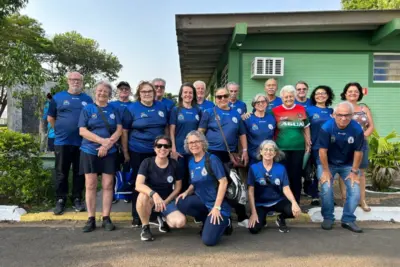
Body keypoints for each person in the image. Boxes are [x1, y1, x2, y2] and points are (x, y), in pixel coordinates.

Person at [198, 87, 249, 228]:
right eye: (219, 97)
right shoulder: (208, 112)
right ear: (215, 98)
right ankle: (214, 215)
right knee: (213, 185)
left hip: (230, 154)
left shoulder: (236, 114)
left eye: (224, 96)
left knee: (234, 184)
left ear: (229, 96)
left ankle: (241, 215)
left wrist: (244, 150)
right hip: (212, 154)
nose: (222, 99)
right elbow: (200, 132)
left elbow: (242, 134)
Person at [122, 81, 169, 228]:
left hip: (158, 151)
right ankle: (137, 216)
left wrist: (167, 146)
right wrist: (125, 152)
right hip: (138, 151)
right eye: (144, 92)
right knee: (139, 183)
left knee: (157, 182)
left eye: (150, 91)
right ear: (139, 94)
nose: (147, 94)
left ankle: (156, 214)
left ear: (154, 93)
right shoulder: (131, 108)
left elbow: (166, 128)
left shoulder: (161, 107)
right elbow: (124, 131)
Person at [78, 81, 122, 232]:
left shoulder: (114, 109)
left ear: (109, 94)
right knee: (90, 184)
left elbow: (119, 130)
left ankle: (106, 217)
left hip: (109, 152)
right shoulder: (87, 109)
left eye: (105, 91)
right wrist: (101, 141)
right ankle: (91, 219)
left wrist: (107, 145)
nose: (102, 93)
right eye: (99, 90)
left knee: (108, 184)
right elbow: (82, 131)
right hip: (89, 150)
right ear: (95, 92)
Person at [47, 72, 93, 215]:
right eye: (73, 79)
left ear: (82, 82)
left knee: (79, 172)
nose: (75, 82)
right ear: (68, 81)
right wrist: (60, 131)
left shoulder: (88, 99)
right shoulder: (58, 97)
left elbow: (92, 119)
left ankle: (77, 198)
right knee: (61, 172)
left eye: (78, 80)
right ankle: (60, 199)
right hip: (62, 142)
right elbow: (50, 118)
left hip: (82, 143)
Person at [176, 131, 231, 246]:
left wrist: (216, 207)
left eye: (196, 141)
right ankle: (206, 220)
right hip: (203, 201)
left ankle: (226, 221)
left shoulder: (212, 159)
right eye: (190, 142)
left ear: (203, 143)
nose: (193, 145)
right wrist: (186, 192)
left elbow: (223, 182)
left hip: (218, 205)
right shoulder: (191, 162)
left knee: (208, 241)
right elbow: (194, 183)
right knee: (181, 202)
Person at [317, 101, 364, 233]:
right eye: (340, 115)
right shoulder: (326, 127)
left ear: (352, 115)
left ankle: (348, 219)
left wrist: (354, 171)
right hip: (328, 163)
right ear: (334, 115)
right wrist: (325, 171)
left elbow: (359, 151)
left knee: (355, 190)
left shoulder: (357, 129)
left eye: (347, 115)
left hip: (348, 164)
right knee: (326, 188)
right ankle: (328, 218)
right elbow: (322, 151)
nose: (343, 118)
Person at [136, 136, 186, 241]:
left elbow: (178, 187)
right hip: (150, 198)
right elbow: (138, 185)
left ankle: (162, 217)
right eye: (159, 146)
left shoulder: (174, 164)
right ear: (155, 148)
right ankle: (145, 228)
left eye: (166, 146)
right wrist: (154, 194)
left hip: (167, 199)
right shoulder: (147, 162)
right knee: (142, 196)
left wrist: (165, 202)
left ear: (169, 149)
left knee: (179, 222)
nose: (162, 148)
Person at [248, 140, 301, 234]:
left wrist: (294, 202)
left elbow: (286, 188)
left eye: (271, 150)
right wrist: (253, 212)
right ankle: (262, 220)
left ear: (275, 153)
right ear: (261, 151)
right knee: (254, 229)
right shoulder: (253, 168)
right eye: (266, 149)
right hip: (261, 203)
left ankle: (280, 218)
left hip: (277, 201)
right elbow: (250, 191)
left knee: (294, 211)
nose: (268, 152)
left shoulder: (281, 168)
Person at [271, 85, 311, 203]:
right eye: (286, 96)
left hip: (298, 148)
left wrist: (308, 142)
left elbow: (306, 127)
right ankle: (282, 202)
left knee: (296, 176)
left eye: (291, 96)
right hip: (281, 148)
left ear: (295, 96)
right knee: (282, 175)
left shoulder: (301, 109)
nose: (288, 98)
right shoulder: (275, 110)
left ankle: (295, 203)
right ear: (282, 97)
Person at [340, 82, 375, 212]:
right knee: (344, 171)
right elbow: (335, 124)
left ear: (359, 94)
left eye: (356, 91)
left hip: (361, 144)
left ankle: (362, 200)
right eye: (350, 91)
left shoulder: (364, 109)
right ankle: (344, 199)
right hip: (343, 144)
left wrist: (363, 136)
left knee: (360, 173)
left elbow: (371, 126)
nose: (353, 93)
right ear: (345, 93)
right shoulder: (340, 108)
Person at [306, 86, 335, 206]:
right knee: (318, 171)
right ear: (314, 96)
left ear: (328, 96)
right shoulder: (309, 110)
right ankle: (316, 195)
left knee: (329, 171)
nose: (320, 95)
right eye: (317, 93)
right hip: (315, 145)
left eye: (323, 93)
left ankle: (327, 195)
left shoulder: (332, 111)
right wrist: (307, 141)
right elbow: (304, 127)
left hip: (331, 146)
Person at [169, 82, 201, 192]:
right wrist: (173, 149)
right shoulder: (175, 110)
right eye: (185, 92)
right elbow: (171, 131)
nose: (188, 95)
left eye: (190, 92)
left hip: (194, 151)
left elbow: (200, 132)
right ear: (181, 95)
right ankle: (180, 203)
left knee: (193, 179)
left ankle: (192, 204)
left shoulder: (197, 110)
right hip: (180, 151)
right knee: (180, 179)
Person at [109, 81, 133, 204]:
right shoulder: (111, 105)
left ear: (129, 91)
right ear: (117, 91)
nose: (123, 91)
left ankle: (126, 191)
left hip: (129, 141)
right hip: (114, 141)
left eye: (126, 89)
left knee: (128, 167)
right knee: (113, 168)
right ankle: (113, 193)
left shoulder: (133, 105)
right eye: (121, 89)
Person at [243, 94, 276, 165]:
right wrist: (244, 151)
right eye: (258, 102)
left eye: (263, 102)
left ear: (266, 103)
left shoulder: (271, 118)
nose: (261, 104)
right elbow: (242, 136)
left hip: (268, 154)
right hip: (253, 154)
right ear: (254, 105)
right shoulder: (247, 118)